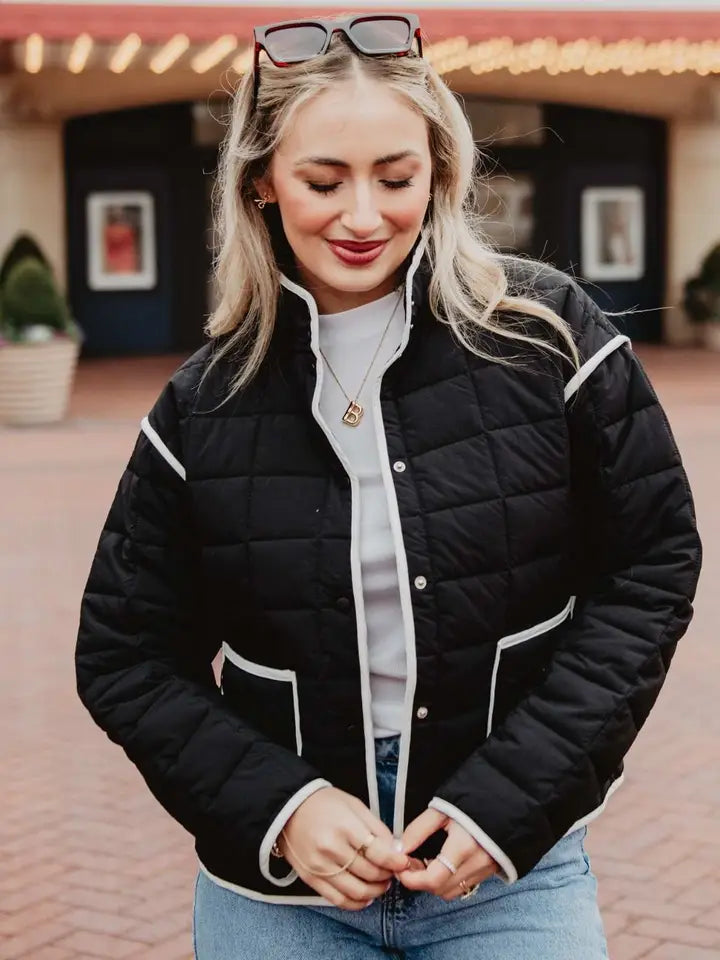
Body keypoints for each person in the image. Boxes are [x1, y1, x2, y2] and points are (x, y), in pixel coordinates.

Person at [75, 12, 702, 960]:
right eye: (324, 182)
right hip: (280, 894)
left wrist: (510, 799)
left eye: (397, 178)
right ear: (261, 182)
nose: (364, 217)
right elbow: (124, 653)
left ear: (440, 172)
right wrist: (283, 808)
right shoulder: (203, 404)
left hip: (510, 869)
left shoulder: (547, 336)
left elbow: (653, 563)